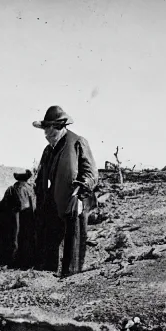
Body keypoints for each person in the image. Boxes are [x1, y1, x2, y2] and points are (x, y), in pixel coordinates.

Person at [33, 106, 98, 276]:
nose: (47, 134)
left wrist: (80, 191)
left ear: (61, 127)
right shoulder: (48, 150)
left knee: (74, 240)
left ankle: (72, 276)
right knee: (50, 239)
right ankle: (48, 274)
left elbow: (91, 173)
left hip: (76, 200)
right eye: (45, 130)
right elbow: (41, 176)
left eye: (50, 129)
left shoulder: (78, 142)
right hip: (54, 200)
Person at [0, 169, 36, 269]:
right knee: (28, 237)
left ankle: (15, 261)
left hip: (17, 216)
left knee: (15, 237)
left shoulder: (13, 188)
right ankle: (28, 262)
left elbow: (3, 205)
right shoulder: (31, 187)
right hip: (30, 216)